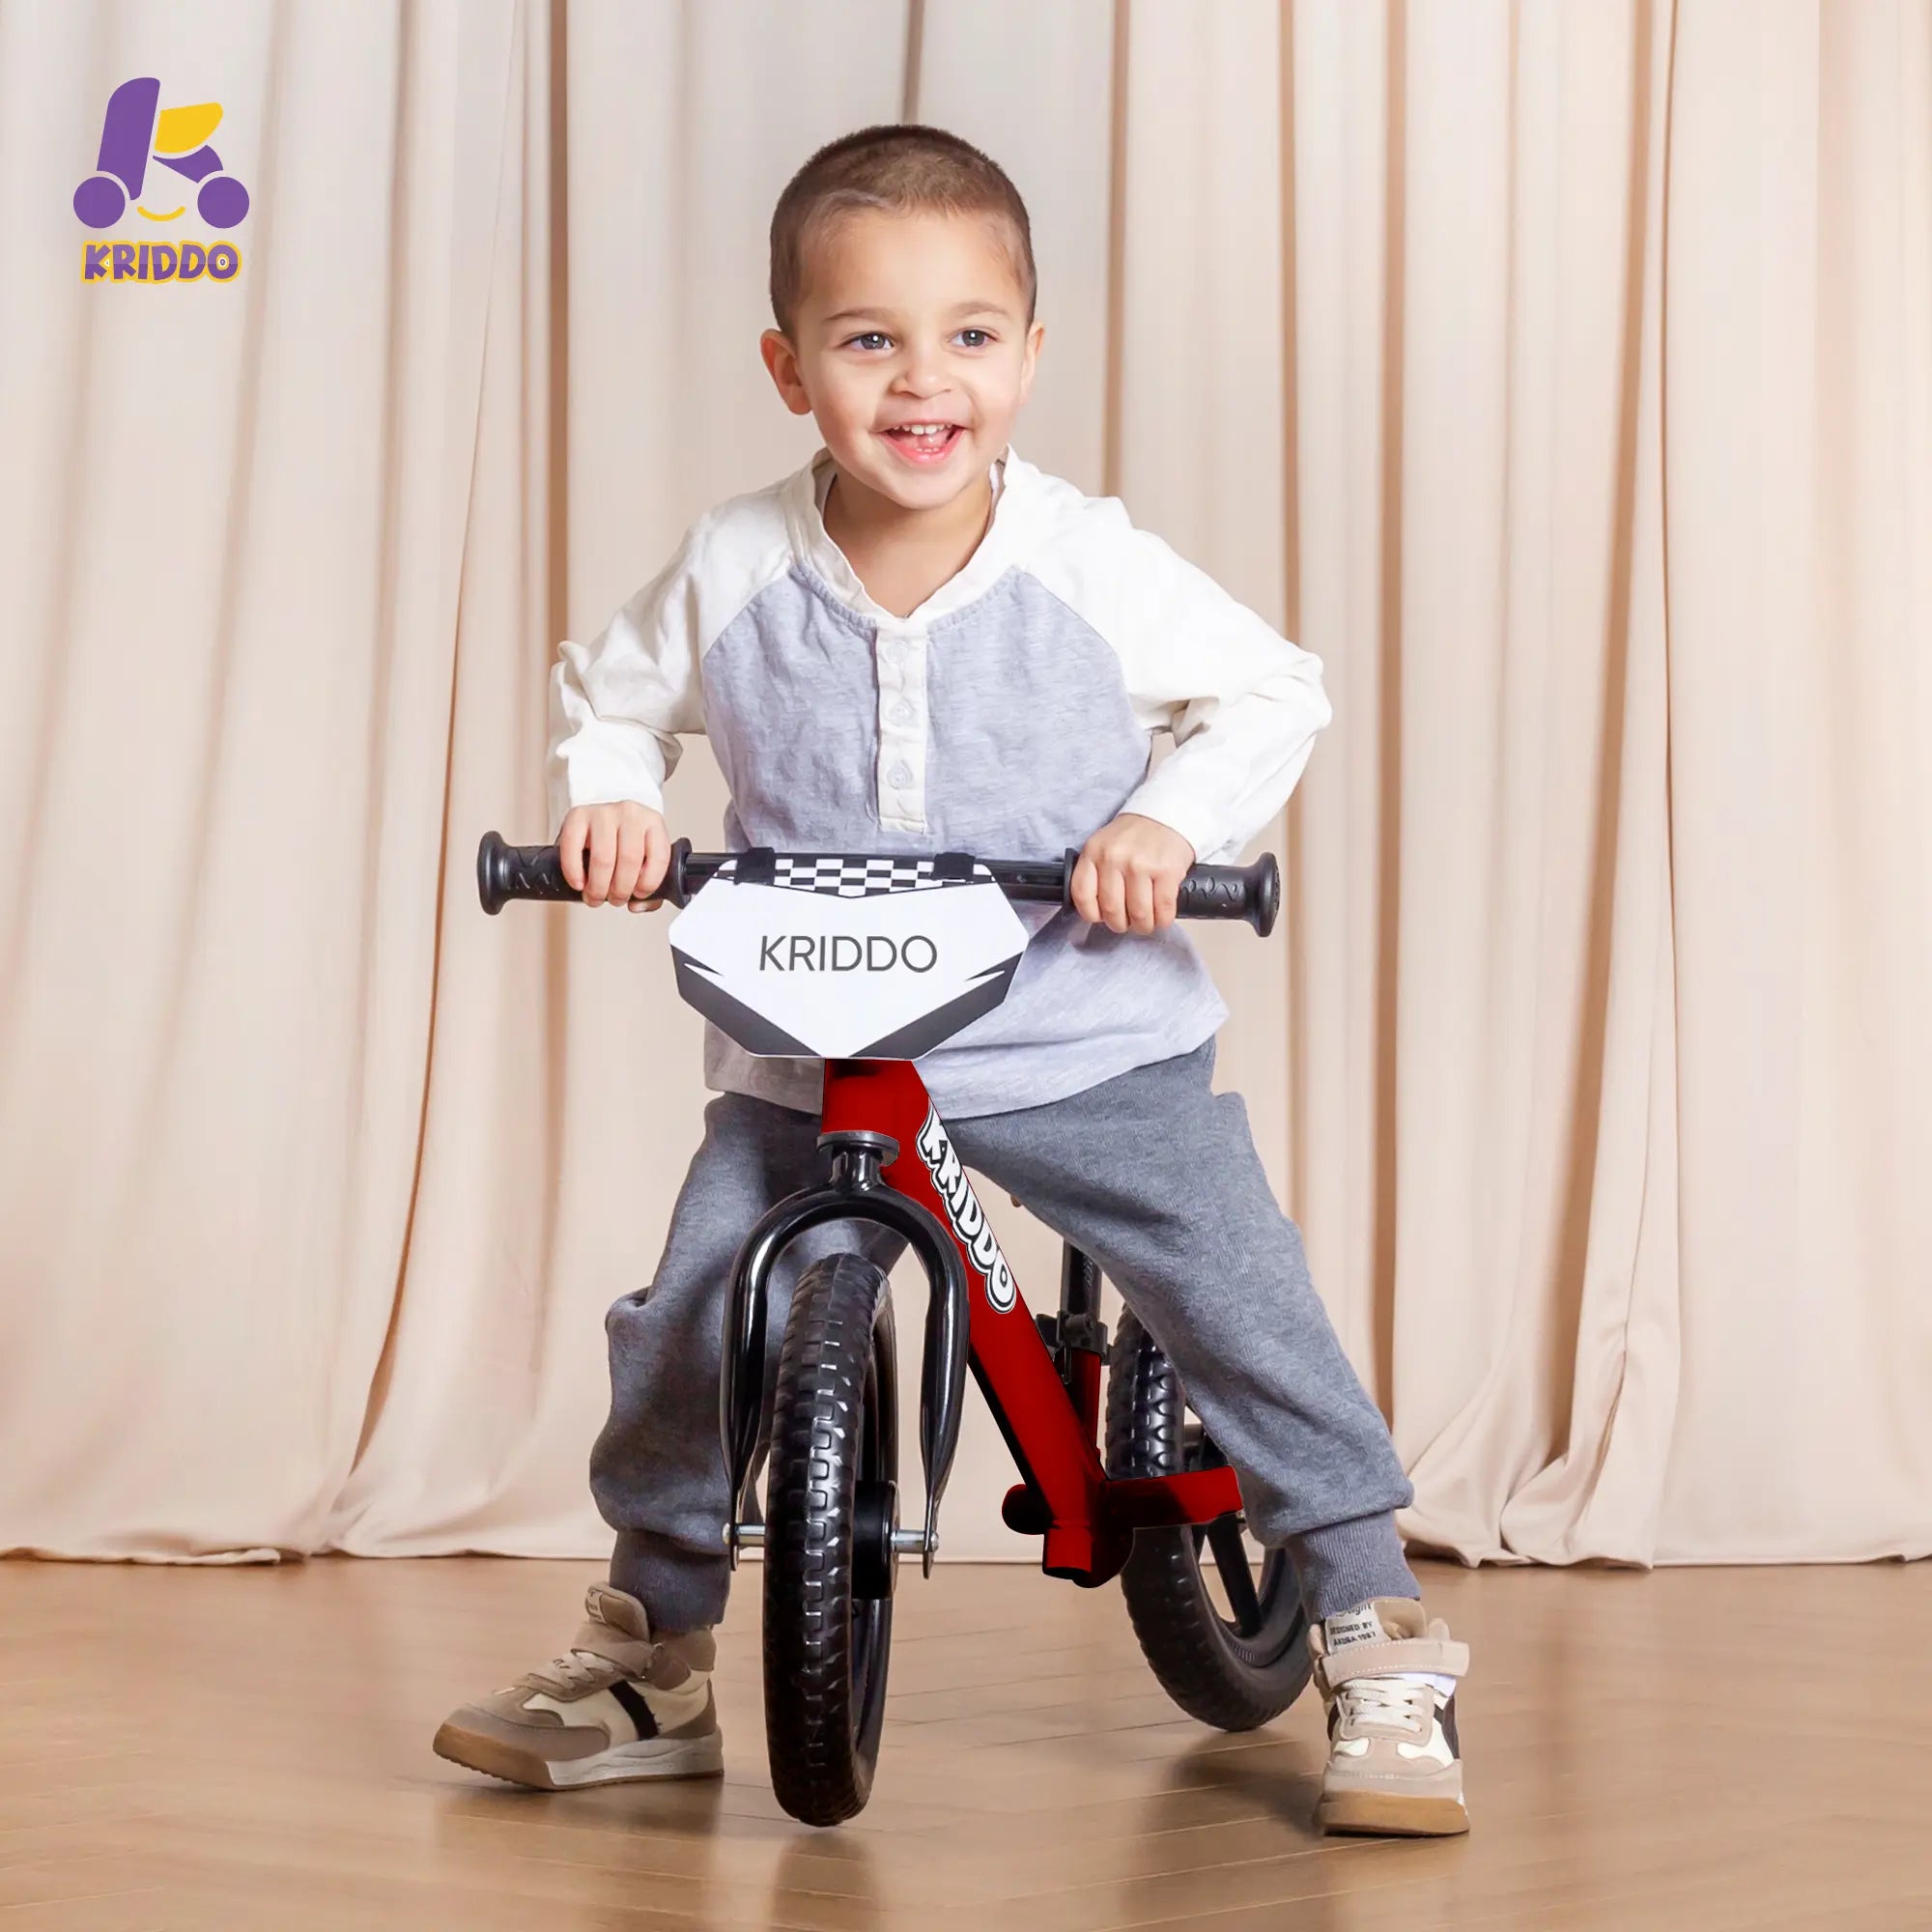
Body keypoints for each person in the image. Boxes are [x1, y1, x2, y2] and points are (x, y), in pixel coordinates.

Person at [433, 123, 1470, 1838]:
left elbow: (1271, 690)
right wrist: (613, 797)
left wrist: (1162, 815)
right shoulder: (738, 563)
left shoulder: (1083, 563)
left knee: (1235, 1289)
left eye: (972, 337)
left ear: (1032, 358)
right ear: (790, 368)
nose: (927, 381)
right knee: (696, 1312)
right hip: (810, 1049)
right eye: (869, 341)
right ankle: (653, 1654)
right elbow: (613, 693)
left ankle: (1371, 1622)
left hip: (1080, 1034)